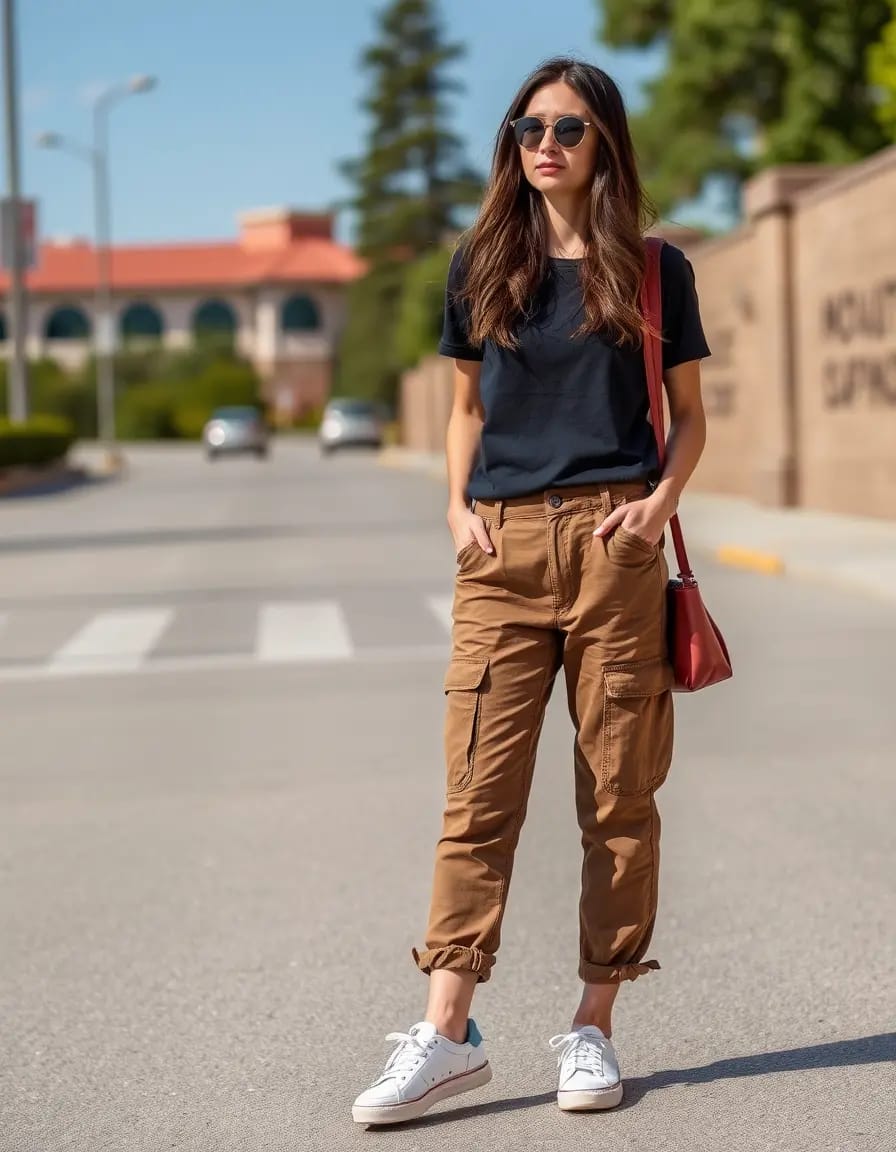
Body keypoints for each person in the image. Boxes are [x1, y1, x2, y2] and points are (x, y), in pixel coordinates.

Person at [352, 55, 710, 1127]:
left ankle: (593, 1025)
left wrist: (656, 507)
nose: (541, 143)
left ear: (601, 140)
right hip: (498, 555)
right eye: (524, 127)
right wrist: (454, 509)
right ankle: (448, 1030)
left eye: (564, 126)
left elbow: (687, 414)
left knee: (616, 801)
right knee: (476, 801)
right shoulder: (481, 263)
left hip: (614, 546)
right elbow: (464, 407)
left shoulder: (652, 270)